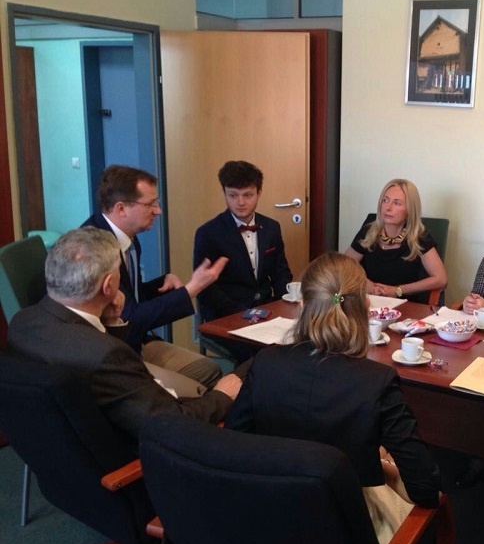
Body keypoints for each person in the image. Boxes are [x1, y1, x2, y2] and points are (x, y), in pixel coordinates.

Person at [225, 252, 441, 544]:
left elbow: (232, 445)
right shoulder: (377, 382)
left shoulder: (265, 363)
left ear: (303, 305)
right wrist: (383, 466)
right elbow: (425, 488)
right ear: (365, 308)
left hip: (266, 521)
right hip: (346, 537)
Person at [7, 228, 241, 441]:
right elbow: (170, 423)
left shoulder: (21, 322)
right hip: (131, 463)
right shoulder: (107, 355)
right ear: (108, 285)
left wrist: (112, 322)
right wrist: (222, 396)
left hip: (61, 449)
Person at [83, 164, 227, 390]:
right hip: (111, 354)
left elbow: (130, 295)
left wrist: (161, 283)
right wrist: (191, 289)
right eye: (150, 204)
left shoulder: (128, 239)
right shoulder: (94, 249)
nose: (158, 211)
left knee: (210, 369)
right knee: (197, 391)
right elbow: (128, 318)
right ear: (121, 208)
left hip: (135, 341)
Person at [194, 160, 293, 362]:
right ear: (224, 193)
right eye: (233, 195)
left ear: (259, 193)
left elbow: (280, 273)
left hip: (267, 310)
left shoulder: (272, 227)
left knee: (295, 342)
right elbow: (206, 290)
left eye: (247, 195)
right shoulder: (208, 233)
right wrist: (243, 314)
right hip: (226, 314)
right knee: (258, 355)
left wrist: (285, 309)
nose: (240, 202)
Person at [344, 179, 446, 304]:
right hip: (368, 302)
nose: (388, 207)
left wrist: (397, 290)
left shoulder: (418, 236)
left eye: (397, 203)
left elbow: (441, 279)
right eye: (385, 200)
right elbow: (344, 265)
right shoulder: (369, 229)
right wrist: (368, 285)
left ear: (409, 210)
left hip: (405, 305)